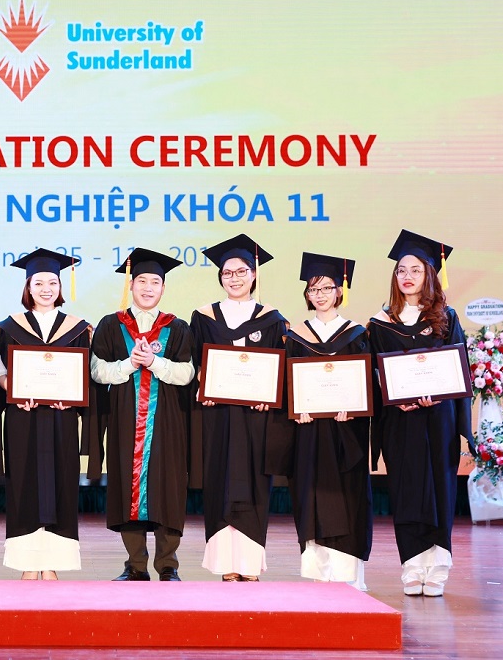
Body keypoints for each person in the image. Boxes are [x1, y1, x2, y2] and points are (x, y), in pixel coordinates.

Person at [368, 230, 475, 598]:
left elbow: (460, 370)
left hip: (437, 420)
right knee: (406, 489)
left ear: (429, 274)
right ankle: (412, 566)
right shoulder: (380, 323)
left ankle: (438, 566)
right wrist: (392, 398)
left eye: (415, 269)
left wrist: (439, 396)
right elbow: (374, 374)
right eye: (401, 270)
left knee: (440, 488)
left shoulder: (446, 318)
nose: (407, 276)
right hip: (400, 421)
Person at [90, 248, 195, 582]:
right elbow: (96, 370)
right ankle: (135, 565)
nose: (148, 288)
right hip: (125, 419)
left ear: (163, 287)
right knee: (127, 484)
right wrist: (129, 364)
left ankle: (168, 565)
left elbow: (187, 373)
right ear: (131, 284)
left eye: (155, 282)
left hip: (167, 421)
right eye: (142, 281)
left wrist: (154, 363)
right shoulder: (111, 325)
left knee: (169, 486)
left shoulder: (177, 327)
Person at [189, 234, 289, 582]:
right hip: (217, 416)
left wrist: (270, 393)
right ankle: (225, 565)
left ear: (254, 274)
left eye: (241, 271)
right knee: (219, 480)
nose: (234, 278)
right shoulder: (204, 317)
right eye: (227, 273)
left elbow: (280, 368)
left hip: (255, 418)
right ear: (220, 276)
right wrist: (202, 385)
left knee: (254, 483)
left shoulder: (272, 319)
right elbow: (194, 363)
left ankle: (249, 563)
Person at [0, 249, 90, 580]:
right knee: (23, 485)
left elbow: (85, 376)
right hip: (24, 418)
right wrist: (11, 388)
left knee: (61, 484)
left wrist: (74, 399)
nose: (46, 289)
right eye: (38, 283)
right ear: (28, 287)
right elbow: (0, 372)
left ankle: (53, 564)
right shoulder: (10, 327)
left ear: (60, 287)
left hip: (62, 419)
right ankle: (27, 563)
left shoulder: (78, 329)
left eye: (52, 282)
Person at [284, 252, 372, 589]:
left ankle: (348, 575)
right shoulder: (296, 337)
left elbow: (366, 383)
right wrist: (297, 407)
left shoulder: (357, 334)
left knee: (346, 497)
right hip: (309, 432)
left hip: (344, 431)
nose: (319, 295)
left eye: (326, 288)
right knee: (311, 495)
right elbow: (288, 384)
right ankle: (319, 575)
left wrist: (355, 407)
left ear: (339, 291)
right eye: (313, 289)